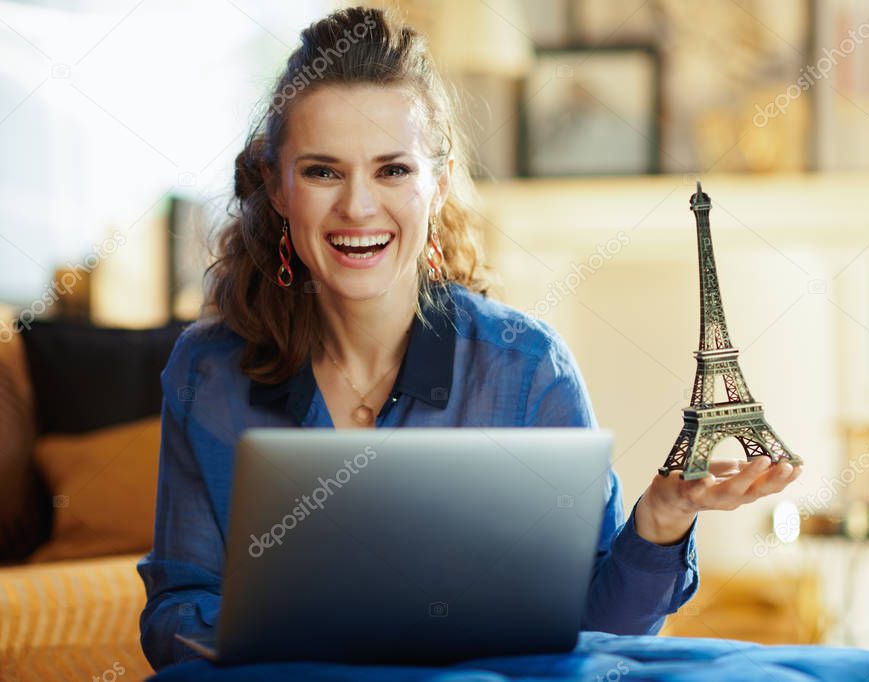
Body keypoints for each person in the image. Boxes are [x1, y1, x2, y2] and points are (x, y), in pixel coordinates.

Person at [137, 6, 802, 671]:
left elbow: (598, 633)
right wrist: (303, 627)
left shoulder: (524, 368)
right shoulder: (209, 373)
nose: (358, 208)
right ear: (279, 188)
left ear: (438, 181)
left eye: (392, 170)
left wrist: (659, 521)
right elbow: (173, 618)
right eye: (322, 172)